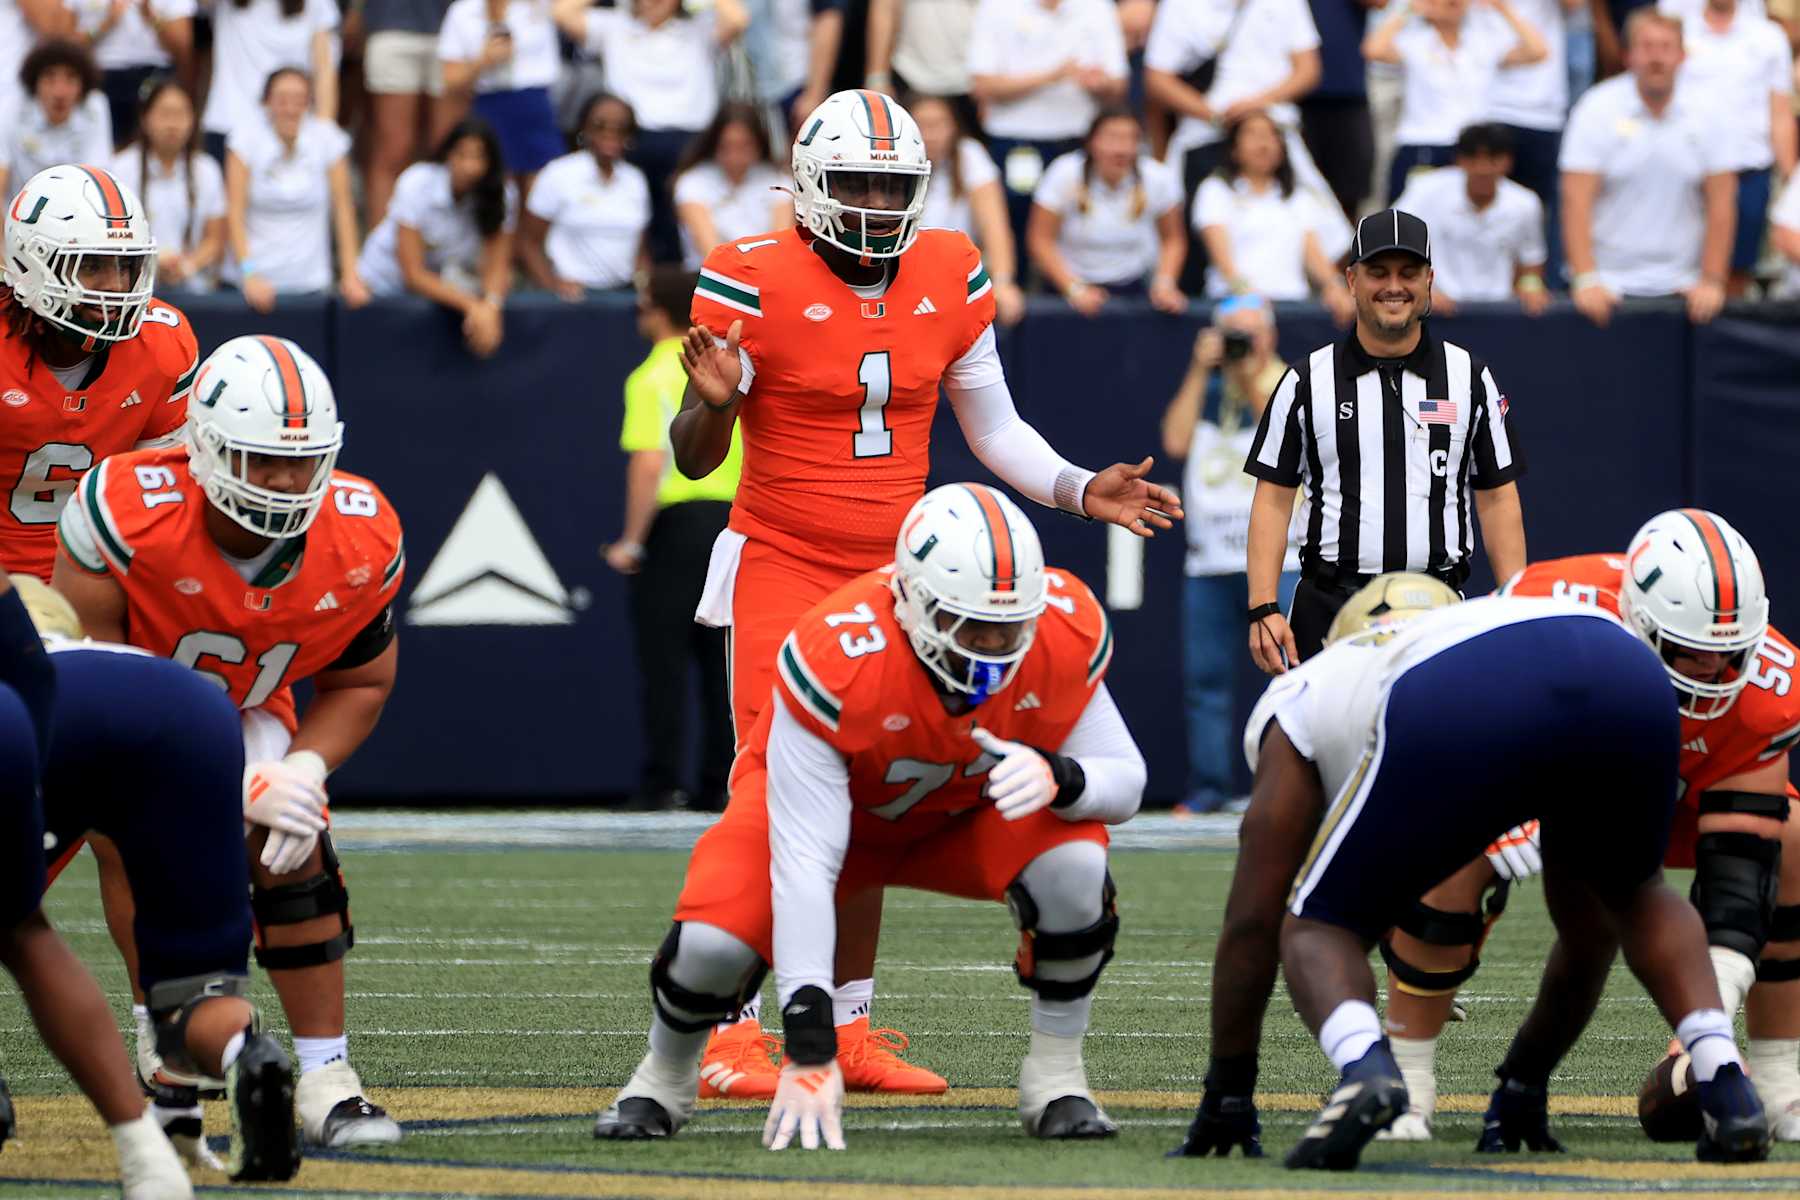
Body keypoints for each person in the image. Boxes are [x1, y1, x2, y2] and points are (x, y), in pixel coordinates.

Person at [662, 89, 1179, 1102]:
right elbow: (693, 452)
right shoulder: (748, 275)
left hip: (897, 578)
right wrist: (713, 409)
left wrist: (1080, 489)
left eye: (891, 185)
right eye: (854, 181)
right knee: (773, 787)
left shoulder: (948, 269)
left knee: (860, 792)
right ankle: (729, 1033)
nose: (872, 202)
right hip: (781, 555)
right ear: (809, 183)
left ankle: (848, 1031)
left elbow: (995, 429)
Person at [595, 484, 1145, 1145]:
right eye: (968, 623)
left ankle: (1057, 1075)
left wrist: (1062, 777)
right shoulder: (838, 656)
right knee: (710, 945)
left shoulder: (1060, 625)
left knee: (1077, 864)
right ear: (910, 600)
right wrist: (807, 1046)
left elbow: (1125, 779)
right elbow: (804, 866)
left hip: (958, 820)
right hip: (828, 822)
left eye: (1009, 625)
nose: (994, 647)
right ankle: (664, 1075)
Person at [1171, 576, 1772, 1169]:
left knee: (1315, 926)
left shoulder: (1305, 691)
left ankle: (1368, 1069)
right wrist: (1523, 1084)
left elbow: (1252, 920)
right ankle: (1723, 1075)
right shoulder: (1481, 619)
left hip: (1455, 695)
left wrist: (1227, 1091)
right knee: (1635, 898)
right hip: (1620, 661)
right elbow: (1588, 942)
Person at [53, 334, 408, 1150]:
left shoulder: (359, 534)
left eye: (301, 461)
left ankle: (326, 1077)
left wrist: (303, 770)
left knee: (294, 844)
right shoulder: (128, 508)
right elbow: (92, 681)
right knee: (109, 850)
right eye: (261, 461)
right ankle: (166, 1034)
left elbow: (361, 684)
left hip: (240, 708)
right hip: (85, 706)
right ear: (204, 448)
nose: (286, 482)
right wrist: (223, 784)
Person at [1378, 512, 1800, 1142]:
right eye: (1693, 654)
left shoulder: (1769, 681)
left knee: (1789, 840)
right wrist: (1501, 798)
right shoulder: (1546, 613)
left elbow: (1742, 864)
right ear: (1640, 623)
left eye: (1729, 655)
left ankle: (1776, 1075)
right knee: (1457, 853)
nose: (1713, 674)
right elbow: (1465, 714)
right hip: (1546, 760)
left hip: (1672, 787)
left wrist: (1705, 1039)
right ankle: (1405, 1076)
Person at [23, 576, 303, 1184]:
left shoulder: (26, 669)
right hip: (188, 705)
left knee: (22, 931)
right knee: (197, 991)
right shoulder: (110, 655)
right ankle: (241, 1052)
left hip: (42, 711)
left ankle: (138, 1151)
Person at [1244, 208, 1527, 677]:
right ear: (1351, 280)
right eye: (1378, 272)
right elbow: (1273, 497)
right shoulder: (1306, 381)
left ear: (1430, 280)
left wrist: (1516, 600)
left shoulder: (1470, 377)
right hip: (1329, 607)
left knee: (1438, 746)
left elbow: (1497, 496)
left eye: (1408, 272)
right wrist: (1262, 606)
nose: (1393, 286)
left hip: (1437, 607)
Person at [0, 164, 195, 584]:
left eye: (125, 268)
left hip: (99, 575)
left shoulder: (161, 346)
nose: (114, 287)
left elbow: (158, 506)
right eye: (92, 266)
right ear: (30, 263)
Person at [604, 266, 742, 813]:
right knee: (721, 664)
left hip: (679, 527)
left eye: (642, 304)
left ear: (658, 310)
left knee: (664, 662)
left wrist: (633, 542)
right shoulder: (728, 368)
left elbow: (649, 462)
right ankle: (719, 782)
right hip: (734, 523)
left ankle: (663, 782)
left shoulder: (649, 376)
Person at [1159, 296, 1298, 815]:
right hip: (1210, 560)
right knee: (1206, 679)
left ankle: (1289, 789)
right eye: (1232, 333)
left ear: (1272, 335)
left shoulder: (1291, 383)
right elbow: (1173, 439)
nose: (1243, 343)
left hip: (1281, 560)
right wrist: (1200, 369)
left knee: (1289, 674)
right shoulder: (1209, 389)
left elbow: (1282, 436)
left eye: (1251, 333)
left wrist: (1244, 376)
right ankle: (1209, 787)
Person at [1559, 10, 1735, 326]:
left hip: (1686, 286)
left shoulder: (1711, 112)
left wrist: (1712, 279)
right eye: (1647, 47)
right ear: (1628, 55)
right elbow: (1576, 199)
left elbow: (1722, 203)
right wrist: (1585, 278)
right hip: (1608, 285)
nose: (1656, 57)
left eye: (1666, 47)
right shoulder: (1595, 108)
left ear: (1682, 56)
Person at [1143, 0, 1325, 293]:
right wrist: (1216, 115)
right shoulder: (1178, 6)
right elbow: (1156, 78)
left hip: (1275, 132)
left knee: (1310, 225)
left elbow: (1308, 69)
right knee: (1196, 252)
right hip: (1204, 139)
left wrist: (1257, 108)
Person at [554, 0, 749, 264]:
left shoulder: (698, 28)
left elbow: (737, 19)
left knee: (685, 223)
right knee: (636, 223)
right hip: (630, 142)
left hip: (688, 143)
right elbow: (562, 13)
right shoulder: (613, 25)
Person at [967, 0, 1130, 254]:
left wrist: (1099, 83)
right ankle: (1011, 287)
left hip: (1077, 142)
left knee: (1078, 231)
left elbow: (1119, 85)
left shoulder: (1097, 6)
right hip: (1016, 142)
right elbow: (982, 85)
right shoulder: (996, 6)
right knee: (1013, 229)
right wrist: (1053, 75)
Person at [357, 117, 515, 358]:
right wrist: (473, 306)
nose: (468, 166)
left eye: (478, 157)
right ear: (447, 154)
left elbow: (498, 265)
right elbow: (413, 274)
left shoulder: (503, 194)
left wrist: (491, 307)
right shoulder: (417, 182)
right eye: (461, 154)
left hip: (442, 287)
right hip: (381, 286)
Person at [1363, 0, 1548, 205]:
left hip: (1471, 150)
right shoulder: (1414, 41)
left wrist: (1502, 8)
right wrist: (1409, 8)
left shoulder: (1483, 41)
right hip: (1423, 145)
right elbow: (1373, 49)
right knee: (1409, 227)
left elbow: (1537, 50)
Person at [1667, 0, 1795, 294]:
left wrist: (1790, 185)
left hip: (1749, 172)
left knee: (1738, 274)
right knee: (1679, 271)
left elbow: (1780, 115)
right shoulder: (1679, 29)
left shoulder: (1769, 37)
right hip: (1689, 174)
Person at [224, 67, 370, 312]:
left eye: (299, 100)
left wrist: (350, 273)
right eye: (282, 100)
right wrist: (249, 273)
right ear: (266, 102)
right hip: (253, 288)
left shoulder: (328, 139)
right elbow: (235, 211)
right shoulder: (244, 139)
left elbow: (343, 209)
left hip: (311, 284)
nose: (290, 108)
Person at [1191, 110, 1354, 322]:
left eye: (1271, 135)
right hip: (1233, 305)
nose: (1264, 144)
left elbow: (1313, 252)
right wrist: (1245, 294)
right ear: (1234, 148)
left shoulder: (1298, 196)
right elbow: (1220, 254)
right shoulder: (1215, 190)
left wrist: (1335, 286)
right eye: (1253, 135)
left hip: (1291, 306)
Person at [1026, 107, 1188, 315]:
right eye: (1113, 138)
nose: (1122, 149)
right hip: (1066, 290)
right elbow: (1040, 239)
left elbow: (1173, 239)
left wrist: (1165, 283)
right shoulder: (1063, 173)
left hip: (1133, 288)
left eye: (1132, 139)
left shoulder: (1158, 178)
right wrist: (1074, 289)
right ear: (1091, 142)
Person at [1394, 123, 1549, 314]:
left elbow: (1530, 262)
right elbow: (1392, 239)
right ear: (1459, 161)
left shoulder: (1526, 203)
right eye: (1473, 159)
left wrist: (1531, 288)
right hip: (1436, 312)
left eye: (1493, 159)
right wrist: (1420, 290)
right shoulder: (1426, 190)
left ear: (1507, 163)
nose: (1482, 168)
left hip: (1498, 314)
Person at [519, 93, 651, 299]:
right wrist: (552, 287)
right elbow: (529, 242)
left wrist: (644, 289)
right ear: (584, 128)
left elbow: (639, 248)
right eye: (600, 125)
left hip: (624, 295)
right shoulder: (558, 173)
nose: (610, 133)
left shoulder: (635, 180)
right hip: (574, 297)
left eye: (621, 127)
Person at [910, 92, 1025, 325]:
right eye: (922, 125)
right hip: (905, 273)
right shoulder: (895, 160)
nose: (930, 134)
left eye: (939, 124)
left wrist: (1003, 282)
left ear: (954, 127)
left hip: (958, 275)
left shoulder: (969, 154)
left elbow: (995, 225)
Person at [110, 78, 227, 294]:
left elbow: (215, 238)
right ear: (145, 118)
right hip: (134, 289)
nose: (172, 124)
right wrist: (152, 261)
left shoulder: (207, 170)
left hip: (193, 288)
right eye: (164, 114)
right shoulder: (120, 168)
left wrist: (188, 265)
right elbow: (110, 235)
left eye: (181, 114)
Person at [437, 0, 563, 185]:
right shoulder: (463, 11)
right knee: (496, 185)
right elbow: (450, 80)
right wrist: (483, 60)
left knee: (541, 187)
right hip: (490, 106)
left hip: (537, 105)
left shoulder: (540, 5)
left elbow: (569, 10)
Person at [200, 0, 340, 163]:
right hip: (229, 124)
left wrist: (324, 132)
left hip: (293, 131)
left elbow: (324, 69)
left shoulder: (318, 4)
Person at [361, 0, 455, 227]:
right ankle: (379, 248)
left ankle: (441, 243)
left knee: (446, 149)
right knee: (394, 150)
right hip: (391, 28)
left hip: (451, 29)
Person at [671, 103, 792, 272]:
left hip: (769, 277)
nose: (735, 157)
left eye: (744, 146)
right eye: (726, 147)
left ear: (759, 144)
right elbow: (711, 253)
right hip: (708, 281)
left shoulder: (779, 181)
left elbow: (782, 247)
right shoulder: (692, 182)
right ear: (714, 145)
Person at [68, 0, 196, 147]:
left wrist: (152, 18)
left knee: (153, 142)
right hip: (103, 73)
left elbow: (183, 48)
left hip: (154, 74)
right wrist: (106, 23)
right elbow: (66, 45)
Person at [1, 39, 113, 201]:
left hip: (78, 214)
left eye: (71, 78)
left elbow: (98, 183)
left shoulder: (95, 107)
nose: (60, 92)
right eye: (49, 78)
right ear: (35, 82)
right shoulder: (11, 108)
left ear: (83, 85)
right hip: (18, 217)